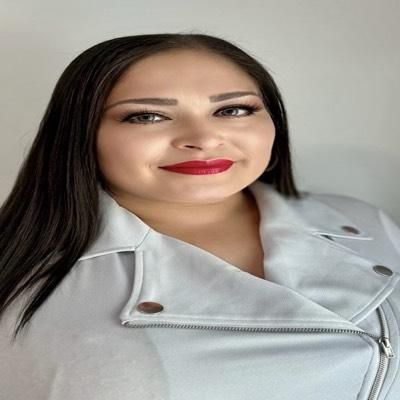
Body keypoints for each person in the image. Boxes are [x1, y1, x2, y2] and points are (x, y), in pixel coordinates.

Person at [0, 33, 399, 400]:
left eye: (233, 109)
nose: (203, 139)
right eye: (147, 116)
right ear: (79, 133)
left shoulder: (365, 220)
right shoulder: (20, 274)